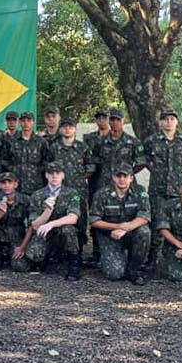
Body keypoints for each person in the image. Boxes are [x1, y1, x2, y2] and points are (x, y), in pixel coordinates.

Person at [141, 107, 182, 269]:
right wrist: (159, 173)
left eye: (172, 119)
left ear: (177, 122)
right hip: (158, 190)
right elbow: (146, 161)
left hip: (178, 190)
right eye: (165, 119)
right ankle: (152, 260)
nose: (169, 122)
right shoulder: (152, 141)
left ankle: (178, 258)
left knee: (179, 224)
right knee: (156, 224)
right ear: (160, 122)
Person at [88, 163, 152, 284]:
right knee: (114, 274)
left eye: (125, 176)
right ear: (113, 177)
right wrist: (117, 227)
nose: (122, 180)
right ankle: (109, 259)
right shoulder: (102, 194)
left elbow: (145, 216)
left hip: (131, 232)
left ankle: (134, 269)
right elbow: (94, 220)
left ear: (131, 178)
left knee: (144, 232)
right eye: (118, 176)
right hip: (109, 236)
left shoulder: (140, 192)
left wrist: (125, 228)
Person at [25, 163, 84, 279]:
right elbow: (35, 225)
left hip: (63, 232)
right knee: (34, 256)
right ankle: (48, 257)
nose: (54, 176)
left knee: (68, 230)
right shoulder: (37, 195)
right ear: (46, 175)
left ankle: (74, 263)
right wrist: (48, 211)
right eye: (51, 173)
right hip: (45, 234)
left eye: (58, 173)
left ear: (63, 175)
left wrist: (51, 224)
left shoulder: (72, 193)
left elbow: (73, 217)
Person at [48, 116, 92, 265]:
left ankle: (77, 253)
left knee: (80, 220)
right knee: (57, 217)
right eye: (65, 126)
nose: (67, 129)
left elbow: (90, 167)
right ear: (60, 129)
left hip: (78, 190)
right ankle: (59, 252)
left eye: (70, 126)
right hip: (58, 190)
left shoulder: (83, 147)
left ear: (75, 129)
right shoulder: (53, 147)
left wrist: (78, 179)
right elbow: (48, 167)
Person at [0, 172, 31, 272]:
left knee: (20, 267)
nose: (6, 185)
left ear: (16, 184)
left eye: (10, 182)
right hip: (0, 234)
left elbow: (31, 225)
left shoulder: (25, 200)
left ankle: (10, 256)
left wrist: (23, 246)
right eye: (3, 183)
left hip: (17, 237)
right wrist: (1, 212)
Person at [81, 109, 111, 267]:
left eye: (104, 118)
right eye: (98, 118)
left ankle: (113, 252)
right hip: (95, 184)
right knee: (95, 217)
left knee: (113, 217)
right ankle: (96, 251)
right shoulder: (89, 138)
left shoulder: (117, 138)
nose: (101, 120)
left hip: (115, 186)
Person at [4, 111, 51, 194]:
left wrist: (37, 170)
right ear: (20, 122)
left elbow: (47, 160)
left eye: (29, 121)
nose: (26, 123)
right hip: (16, 185)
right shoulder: (11, 141)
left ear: (33, 122)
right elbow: (4, 159)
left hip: (35, 185)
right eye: (23, 121)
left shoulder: (41, 142)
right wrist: (13, 169)